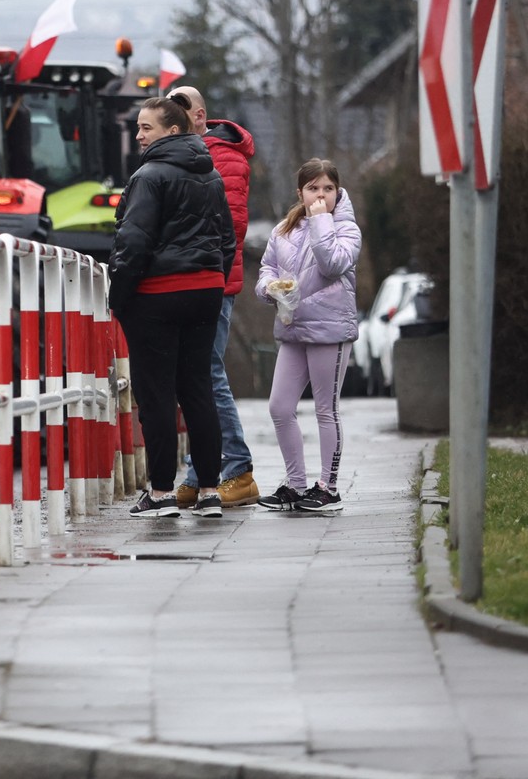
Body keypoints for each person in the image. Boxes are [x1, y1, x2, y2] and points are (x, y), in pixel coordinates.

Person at [108, 96, 235, 518]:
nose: (140, 135)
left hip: (158, 295)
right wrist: (211, 280)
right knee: (198, 391)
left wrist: (119, 297)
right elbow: (227, 241)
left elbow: (134, 242)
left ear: (173, 131)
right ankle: (210, 492)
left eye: (147, 128)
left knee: (156, 393)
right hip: (206, 291)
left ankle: (161, 493)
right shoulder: (211, 175)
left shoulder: (149, 175)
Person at [166, 85, 259, 508]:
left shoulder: (223, 157)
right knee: (196, 377)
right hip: (194, 281)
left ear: (202, 116)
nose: (181, 119)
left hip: (212, 283)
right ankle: (198, 472)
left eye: (186, 110)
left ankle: (237, 468)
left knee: (205, 374)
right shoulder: (185, 156)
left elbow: (230, 228)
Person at [254, 158, 361, 514]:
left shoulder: (346, 229)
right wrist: (268, 287)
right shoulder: (284, 228)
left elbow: (331, 264)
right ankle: (295, 485)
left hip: (329, 330)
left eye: (327, 188)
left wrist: (320, 221)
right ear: (300, 192)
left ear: (337, 191)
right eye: (313, 188)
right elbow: (267, 266)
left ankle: (328, 488)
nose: (320, 195)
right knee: (280, 407)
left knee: (325, 409)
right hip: (293, 327)